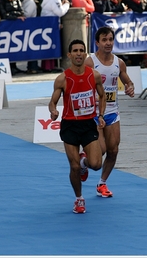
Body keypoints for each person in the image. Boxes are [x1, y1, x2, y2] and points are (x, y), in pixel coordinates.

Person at [48, 39, 106, 214]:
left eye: (82, 50)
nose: (79, 53)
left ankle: (84, 161)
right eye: (75, 51)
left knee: (96, 164)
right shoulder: (62, 79)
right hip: (70, 126)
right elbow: (52, 102)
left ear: (85, 54)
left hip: (88, 124)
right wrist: (53, 112)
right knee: (73, 167)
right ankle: (79, 199)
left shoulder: (93, 75)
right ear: (69, 55)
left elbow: (102, 96)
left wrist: (101, 115)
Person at [84, 26, 135, 198]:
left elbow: (127, 80)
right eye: (104, 40)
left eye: (110, 39)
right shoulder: (90, 62)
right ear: (97, 42)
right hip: (93, 113)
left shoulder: (118, 63)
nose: (108, 43)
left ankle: (102, 184)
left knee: (113, 151)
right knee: (101, 152)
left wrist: (130, 87)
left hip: (112, 111)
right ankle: (84, 163)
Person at [40, 0, 70, 73]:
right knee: (51, 45)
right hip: (51, 25)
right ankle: (49, 67)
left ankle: (47, 66)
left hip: (47, 24)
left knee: (47, 46)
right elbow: (60, 12)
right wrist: (67, 5)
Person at [0, 0, 26, 76]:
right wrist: (16, 17)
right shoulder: (1, 1)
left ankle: (14, 66)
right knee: (6, 47)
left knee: (15, 46)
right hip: (5, 28)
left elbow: (21, 11)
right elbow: (4, 15)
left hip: (16, 28)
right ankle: (8, 67)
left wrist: (13, 14)